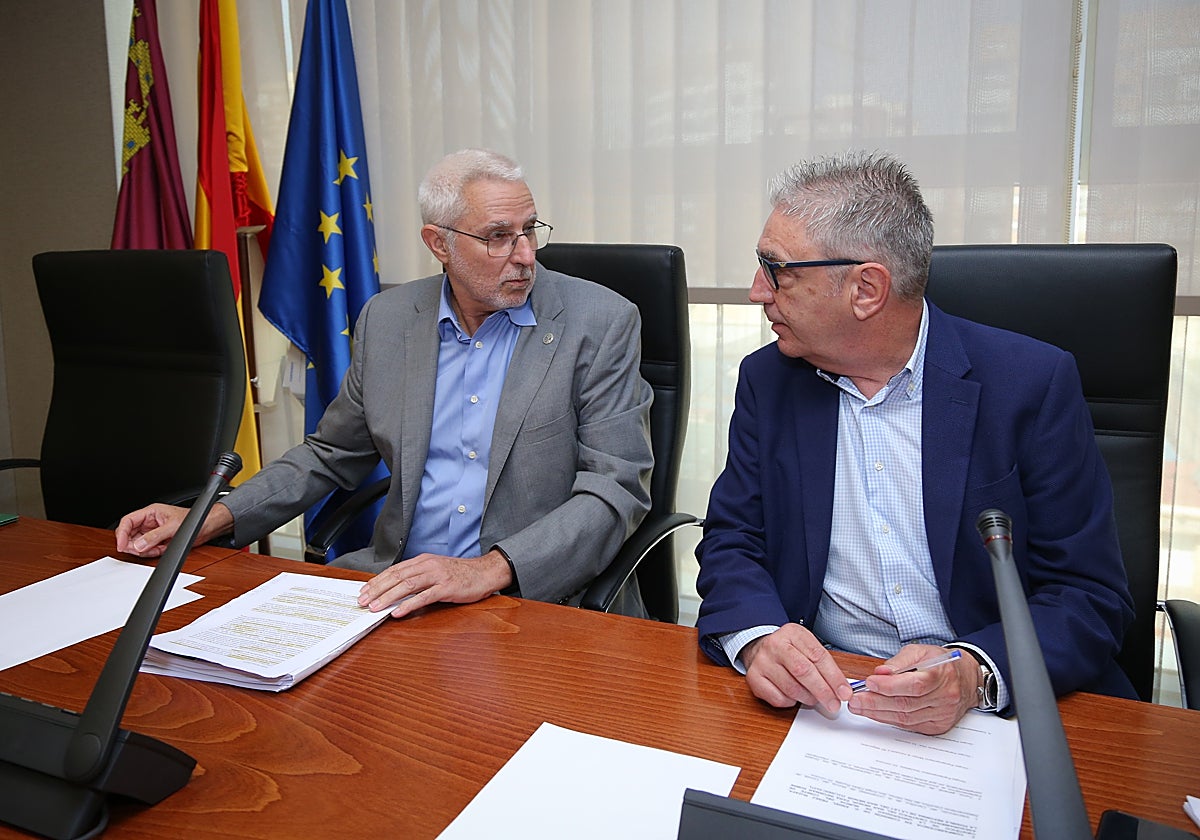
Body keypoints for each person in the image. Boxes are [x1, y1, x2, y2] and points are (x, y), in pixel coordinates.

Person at [695, 150, 1135, 735]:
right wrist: (758, 638)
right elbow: (732, 539)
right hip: (830, 704)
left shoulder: (1029, 385)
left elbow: (1088, 595)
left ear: (866, 288)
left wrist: (976, 672)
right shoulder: (768, 380)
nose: (757, 291)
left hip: (996, 714)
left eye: (778, 270)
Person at [117, 149, 654, 618]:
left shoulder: (599, 321)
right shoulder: (390, 320)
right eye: (497, 237)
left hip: (531, 600)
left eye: (530, 230)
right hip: (395, 591)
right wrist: (213, 516)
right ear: (437, 243)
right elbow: (330, 454)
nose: (526, 255)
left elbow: (615, 488)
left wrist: (490, 570)